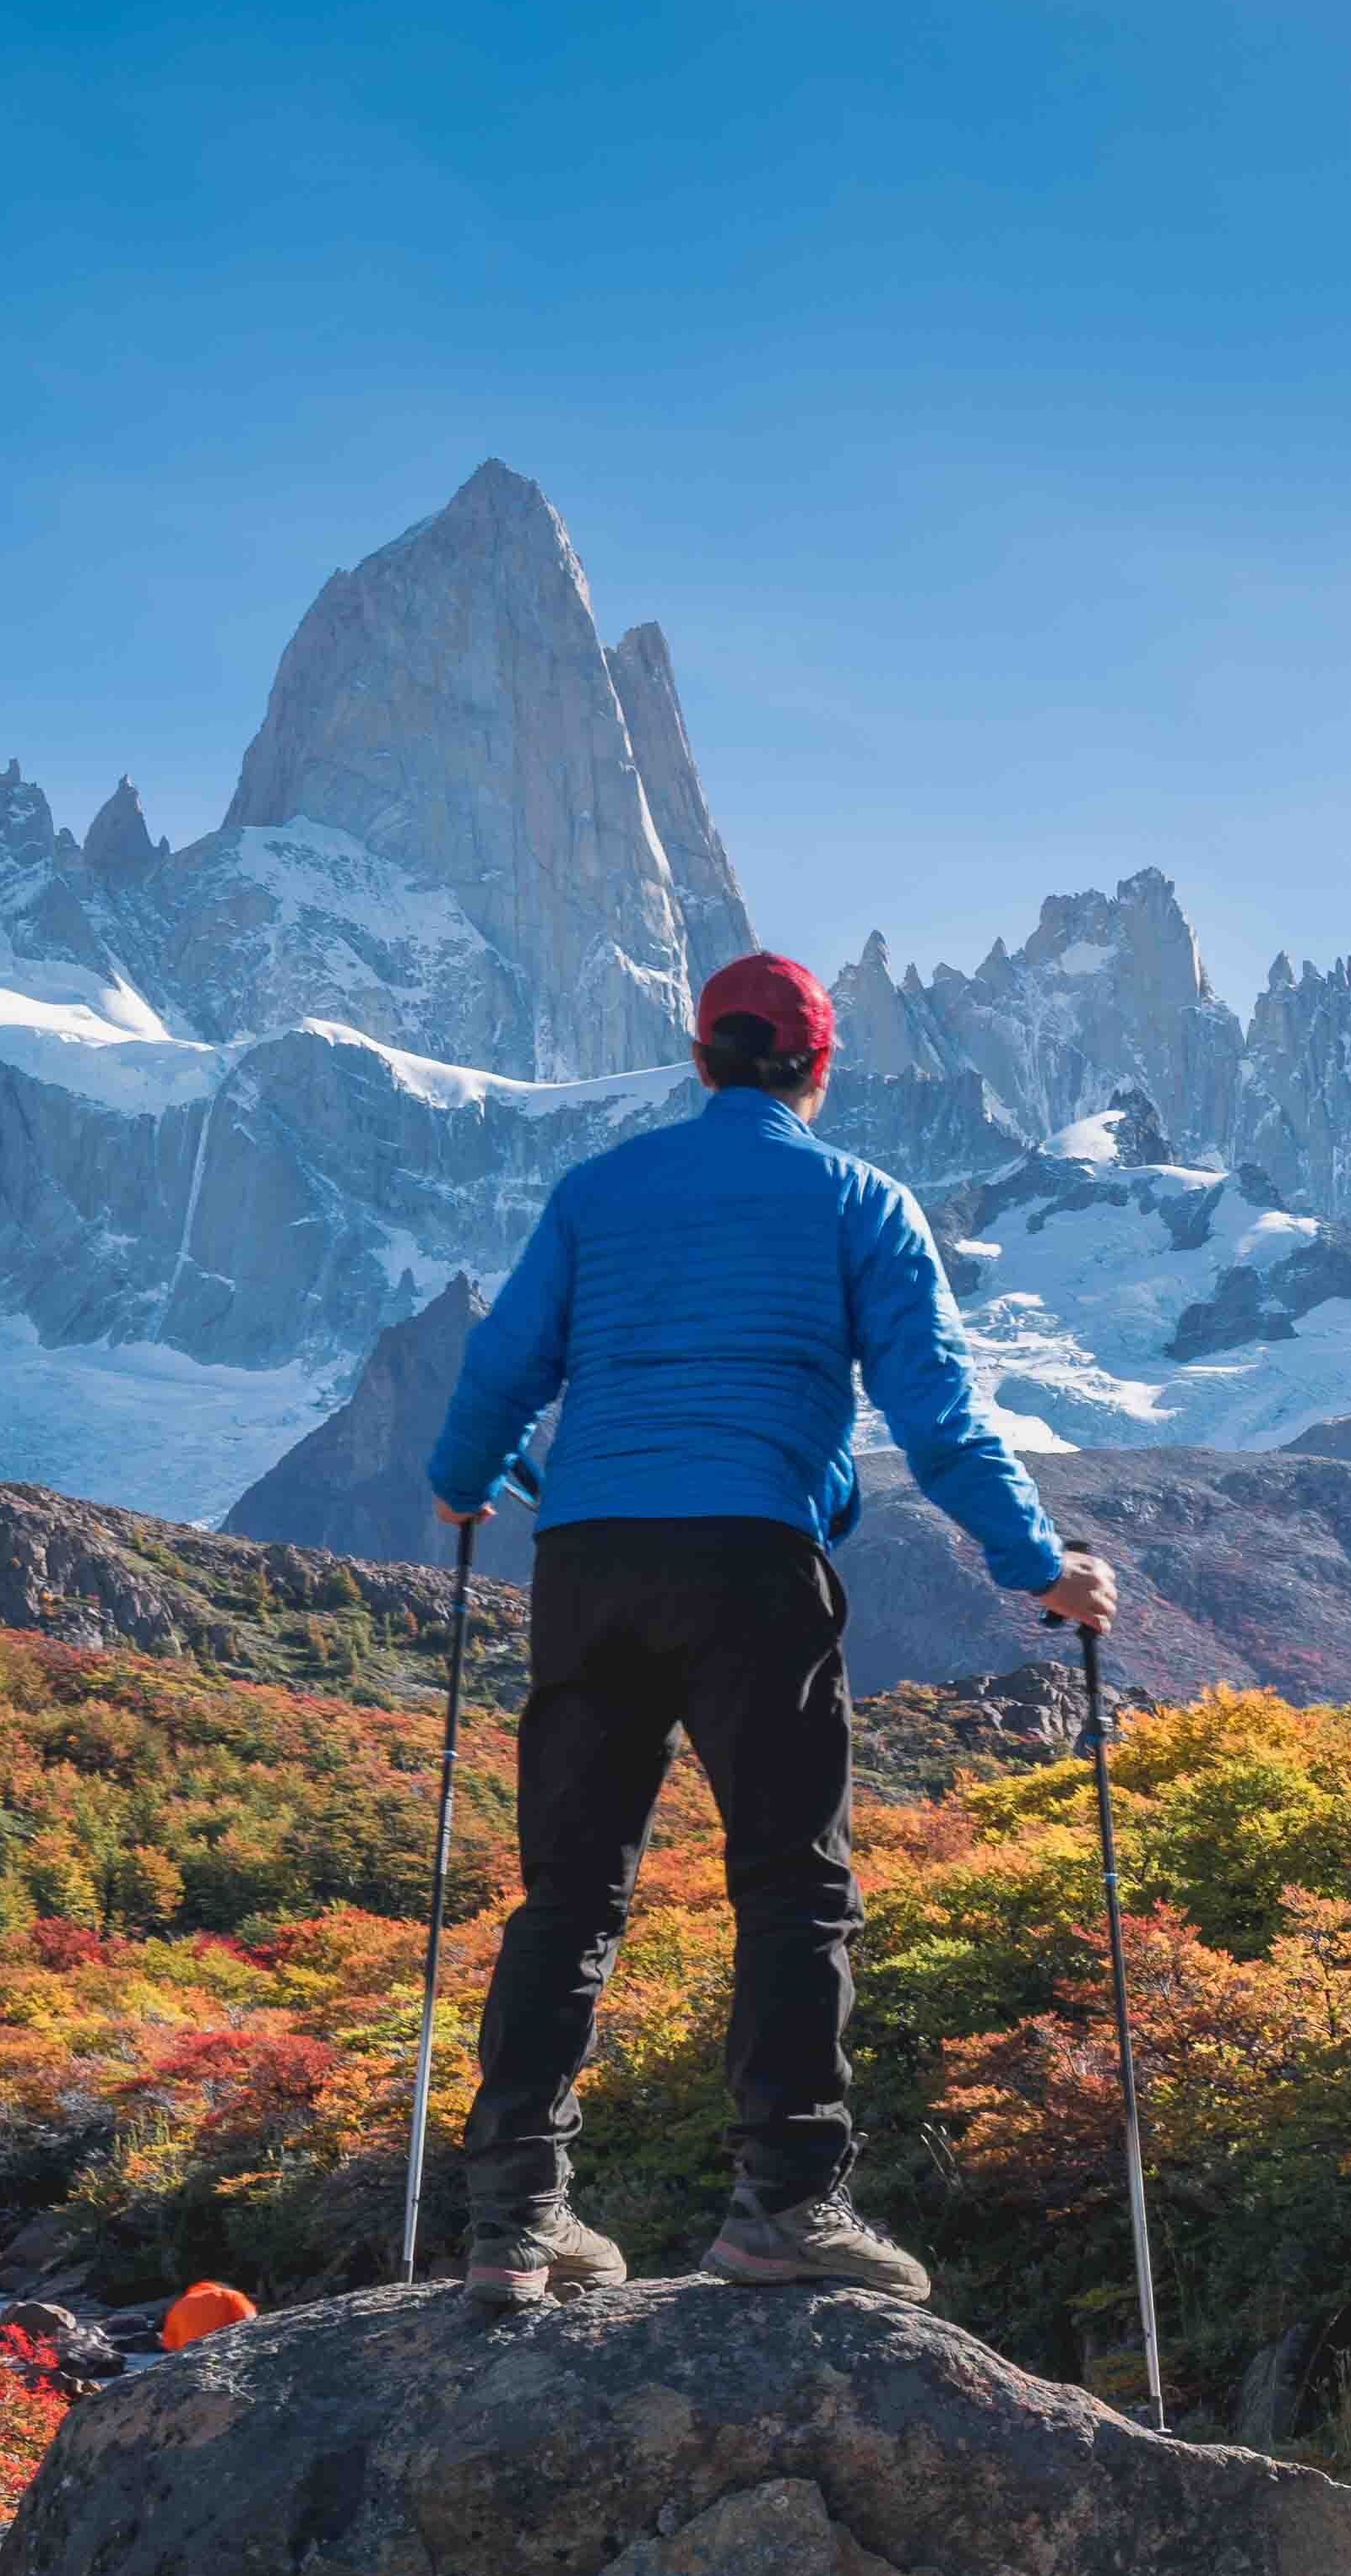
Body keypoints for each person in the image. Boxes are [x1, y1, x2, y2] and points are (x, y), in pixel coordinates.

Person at [429, 951, 1122, 2314]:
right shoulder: (855, 1196)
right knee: (791, 1890)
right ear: (815, 1068)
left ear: (699, 1059)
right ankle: (783, 2207)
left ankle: (512, 2224)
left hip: (585, 1563)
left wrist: (471, 1477)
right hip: (749, 1559)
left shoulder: (593, 1194)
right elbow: (936, 1414)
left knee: (567, 1897)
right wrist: (1040, 1568)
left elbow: (499, 1366)